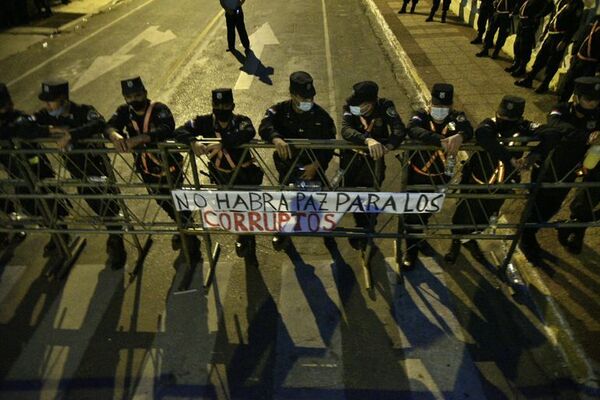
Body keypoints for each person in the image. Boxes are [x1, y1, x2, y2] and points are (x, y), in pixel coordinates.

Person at [33, 80, 127, 268]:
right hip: (76, 169)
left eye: (51, 101)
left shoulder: (83, 111)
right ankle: (111, 234)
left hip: (97, 167)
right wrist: (51, 130)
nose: (47, 105)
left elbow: (99, 123)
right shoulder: (48, 116)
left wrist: (72, 134)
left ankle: (117, 241)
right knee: (93, 202)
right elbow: (28, 125)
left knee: (107, 203)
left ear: (63, 99)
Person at [106, 76, 200, 260]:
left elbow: (167, 127)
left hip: (170, 167)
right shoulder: (125, 111)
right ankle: (183, 227)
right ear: (125, 98)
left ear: (145, 93)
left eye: (138, 95)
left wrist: (142, 138)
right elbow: (109, 125)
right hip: (147, 170)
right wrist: (115, 135)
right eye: (130, 97)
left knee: (177, 200)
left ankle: (190, 237)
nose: (135, 99)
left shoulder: (158, 108)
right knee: (162, 201)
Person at [444, 96, 542, 263]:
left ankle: (470, 239)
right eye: (501, 116)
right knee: (463, 216)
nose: (504, 120)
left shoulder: (524, 128)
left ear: (519, 118)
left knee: (484, 219)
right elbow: (482, 135)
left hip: (501, 186)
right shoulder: (490, 124)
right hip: (477, 182)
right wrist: (509, 158)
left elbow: (551, 134)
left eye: (509, 119)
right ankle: (456, 243)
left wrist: (534, 155)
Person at [175, 88, 263, 262]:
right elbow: (179, 131)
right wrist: (192, 142)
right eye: (217, 105)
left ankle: (248, 242)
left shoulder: (241, 121)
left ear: (232, 106)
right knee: (231, 208)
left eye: (225, 105)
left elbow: (248, 132)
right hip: (221, 176)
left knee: (246, 208)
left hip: (243, 175)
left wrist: (223, 143)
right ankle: (242, 236)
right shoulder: (204, 122)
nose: (221, 108)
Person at [520, 76, 600, 260]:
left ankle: (535, 232)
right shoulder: (562, 109)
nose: (592, 103)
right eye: (589, 99)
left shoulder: (596, 115)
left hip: (571, 169)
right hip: (550, 165)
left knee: (553, 206)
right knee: (538, 204)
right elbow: (555, 126)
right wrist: (586, 137)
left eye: (596, 100)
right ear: (577, 97)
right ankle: (526, 238)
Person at [259, 71, 336, 251]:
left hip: (313, 169)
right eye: (304, 98)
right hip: (287, 167)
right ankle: (282, 232)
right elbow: (264, 125)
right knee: (284, 201)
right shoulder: (279, 111)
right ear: (293, 95)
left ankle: (327, 231)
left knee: (319, 200)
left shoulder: (321, 117)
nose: (309, 102)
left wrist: (316, 165)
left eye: (311, 98)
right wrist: (275, 138)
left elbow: (330, 144)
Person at [404, 83, 473, 269]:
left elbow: (468, 128)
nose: (440, 110)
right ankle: (410, 251)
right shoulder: (421, 115)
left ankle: (419, 238)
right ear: (429, 103)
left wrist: (460, 136)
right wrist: (440, 141)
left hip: (440, 176)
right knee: (410, 215)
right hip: (417, 175)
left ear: (450, 106)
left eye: (444, 107)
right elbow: (412, 129)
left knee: (426, 211)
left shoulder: (456, 118)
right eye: (436, 106)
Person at [0, 83, 70, 256]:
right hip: (18, 175)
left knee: (50, 202)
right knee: (32, 207)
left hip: (38, 170)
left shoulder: (19, 118)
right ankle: (55, 233)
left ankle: (61, 233)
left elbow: (23, 127)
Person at [340, 81, 406, 250]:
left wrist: (388, 146)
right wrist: (366, 140)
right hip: (352, 158)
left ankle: (366, 229)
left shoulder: (385, 107)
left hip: (374, 161)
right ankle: (360, 225)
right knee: (352, 192)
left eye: (364, 104)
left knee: (370, 194)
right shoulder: (351, 105)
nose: (360, 107)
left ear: (373, 102)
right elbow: (346, 130)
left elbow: (399, 129)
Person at [514, 0, 583, 93]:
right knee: (540, 57)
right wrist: (546, 32)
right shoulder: (561, 1)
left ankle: (544, 84)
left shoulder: (577, 4)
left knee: (553, 62)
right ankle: (529, 79)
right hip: (551, 34)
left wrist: (564, 40)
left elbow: (574, 25)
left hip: (560, 37)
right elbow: (553, 18)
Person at [556, 155, 599, 254]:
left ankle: (570, 228)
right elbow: (588, 167)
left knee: (585, 211)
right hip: (593, 180)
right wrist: (577, 173)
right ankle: (574, 231)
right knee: (583, 208)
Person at [505, 0, 553, 77]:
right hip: (522, 21)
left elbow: (549, 6)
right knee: (518, 44)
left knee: (525, 46)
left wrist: (537, 16)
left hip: (529, 23)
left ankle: (522, 67)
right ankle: (516, 63)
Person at [558, 16, 600, 102]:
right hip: (578, 59)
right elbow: (583, 34)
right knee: (568, 84)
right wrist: (574, 52)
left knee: (582, 90)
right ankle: (561, 105)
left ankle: (576, 109)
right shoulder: (595, 19)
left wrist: (598, 70)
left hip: (591, 65)